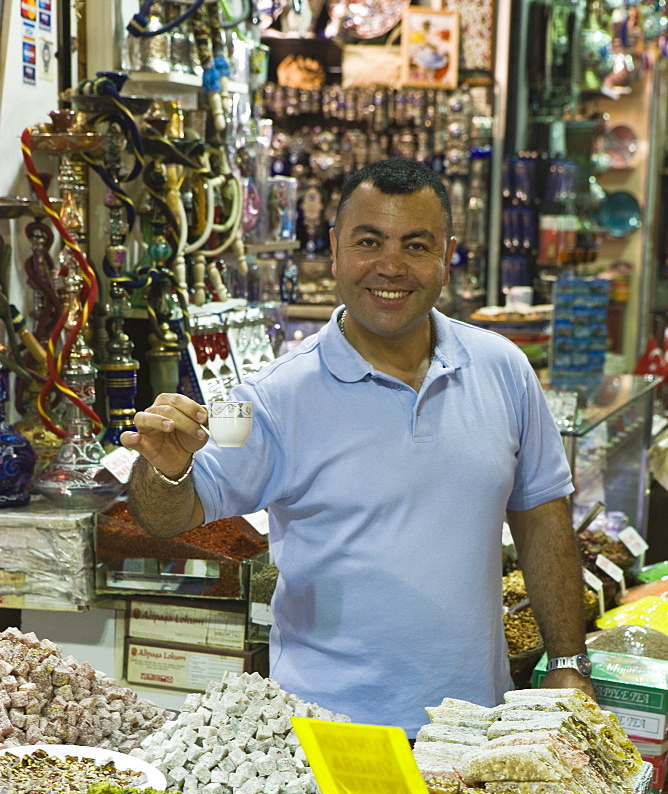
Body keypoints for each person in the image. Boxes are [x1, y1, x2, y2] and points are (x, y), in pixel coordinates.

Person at [121, 158, 595, 738]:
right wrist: (164, 470)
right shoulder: (271, 398)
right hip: (330, 740)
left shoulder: (503, 369)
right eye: (369, 241)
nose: (391, 266)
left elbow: (543, 516)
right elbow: (172, 515)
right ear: (336, 249)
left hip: (476, 731)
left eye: (416, 245)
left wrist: (568, 664)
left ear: (447, 255)